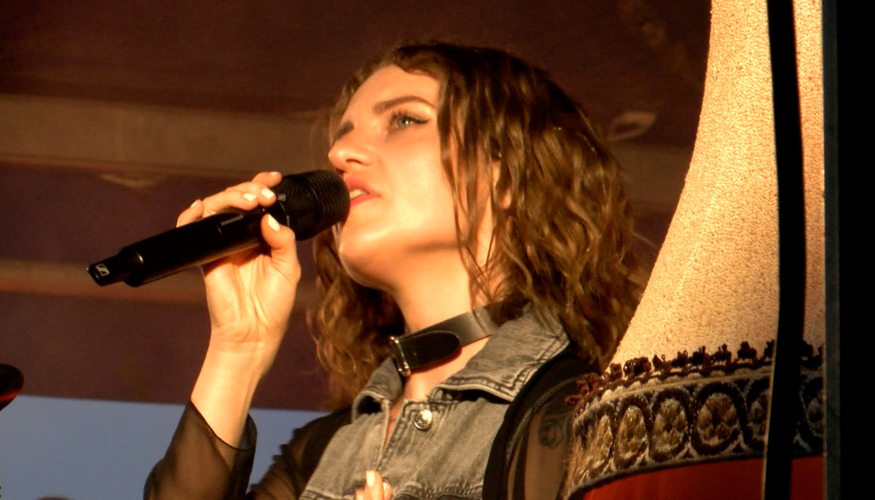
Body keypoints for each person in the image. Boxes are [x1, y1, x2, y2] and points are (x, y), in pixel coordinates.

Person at [145, 41, 640, 499]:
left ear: (508, 175)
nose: (339, 155)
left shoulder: (579, 419)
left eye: (404, 120)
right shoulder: (322, 452)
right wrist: (238, 349)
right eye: (342, 137)